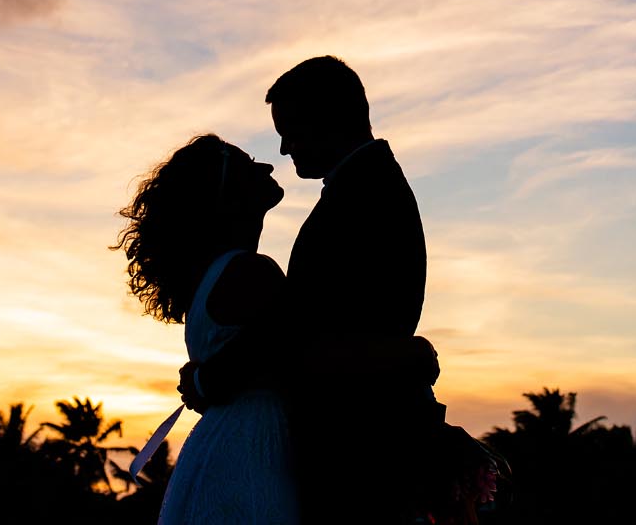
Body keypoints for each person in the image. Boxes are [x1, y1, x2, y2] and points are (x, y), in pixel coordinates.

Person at [179, 56, 444, 523]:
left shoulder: (365, 195)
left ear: (329, 118)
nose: (282, 149)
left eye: (290, 130)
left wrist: (207, 378)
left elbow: (289, 329)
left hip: (354, 437)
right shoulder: (362, 188)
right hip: (344, 433)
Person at [116, 134, 300, 524]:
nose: (267, 166)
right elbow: (297, 351)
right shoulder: (249, 272)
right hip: (256, 446)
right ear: (227, 195)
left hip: (224, 441)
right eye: (250, 164)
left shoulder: (214, 278)